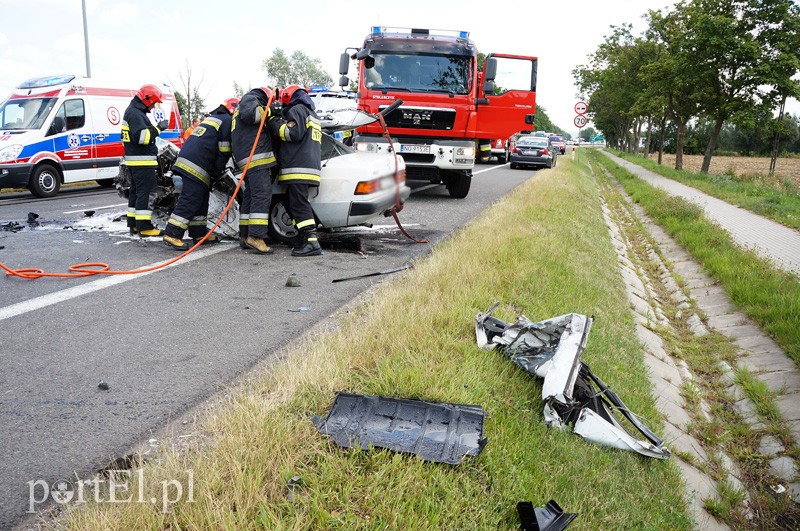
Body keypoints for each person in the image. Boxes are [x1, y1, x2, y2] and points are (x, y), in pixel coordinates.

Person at [162, 98, 238, 250]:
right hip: (196, 164)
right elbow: (224, 150)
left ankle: (198, 233)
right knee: (191, 199)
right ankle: (172, 233)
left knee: (201, 199)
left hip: (190, 160)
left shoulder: (213, 118)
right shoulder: (226, 121)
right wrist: (217, 170)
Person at [270, 84, 323, 257]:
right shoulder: (312, 114)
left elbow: (291, 134)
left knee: (299, 204)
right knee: (291, 202)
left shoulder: (298, 110)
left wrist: (275, 121)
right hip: (308, 166)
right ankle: (303, 237)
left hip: (298, 167)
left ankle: (311, 242)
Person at [231, 87, 279, 254]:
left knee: (251, 196)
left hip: (249, 158)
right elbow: (253, 116)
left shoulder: (242, 106)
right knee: (262, 194)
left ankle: (245, 236)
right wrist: (271, 111)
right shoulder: (250, 99)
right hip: (257, 158)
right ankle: (256, 237)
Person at [122, 83, 170, 237]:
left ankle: (134, 224)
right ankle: (144, 226)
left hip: (135, 161)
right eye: (154, 104)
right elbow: (143, 138)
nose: (153, 107)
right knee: (146, 192)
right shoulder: (136, 114)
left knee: (136, 193)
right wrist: (158, 128)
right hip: (142, 162)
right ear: (148, 100)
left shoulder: (133, 112)